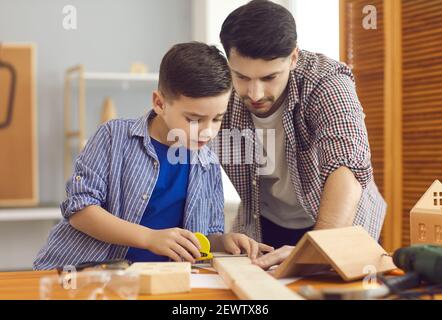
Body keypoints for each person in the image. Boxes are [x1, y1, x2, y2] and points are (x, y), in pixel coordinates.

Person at [34, 42, 272, 270]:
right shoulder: (113, 136)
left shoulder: (206, 159)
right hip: (82, 275)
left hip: (156, 281)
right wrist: (149, 238)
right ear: (159, 103)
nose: (207, 131)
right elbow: (80, 211)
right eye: (193, 120)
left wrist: (222, 242)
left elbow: (203, 234)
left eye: (217, 119)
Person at [217, 0, 386, 269]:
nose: (255, 94)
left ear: (293, 58)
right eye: (242, 77)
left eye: (269, 77)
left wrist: (318, 250)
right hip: (263, 225)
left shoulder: (327, 82)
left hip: (337, 223)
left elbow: (347, 170)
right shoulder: (219, 89)